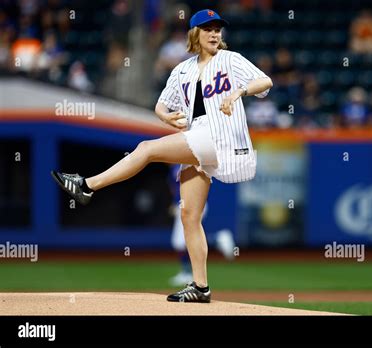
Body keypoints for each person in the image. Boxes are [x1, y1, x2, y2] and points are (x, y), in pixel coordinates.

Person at [50, 9, 273, 303]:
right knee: (188, 215)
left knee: (146, 149)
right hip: (199, 139)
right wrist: (168, 119)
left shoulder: (230, 60)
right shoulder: (182, 70)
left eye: (218, 28)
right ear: (195, 34)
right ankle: (201, 287)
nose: (215, 33)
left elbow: (265, 81)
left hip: (220, 137)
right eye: (208, 29)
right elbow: (160, 106)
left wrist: (238, 92)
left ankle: (86, 185)